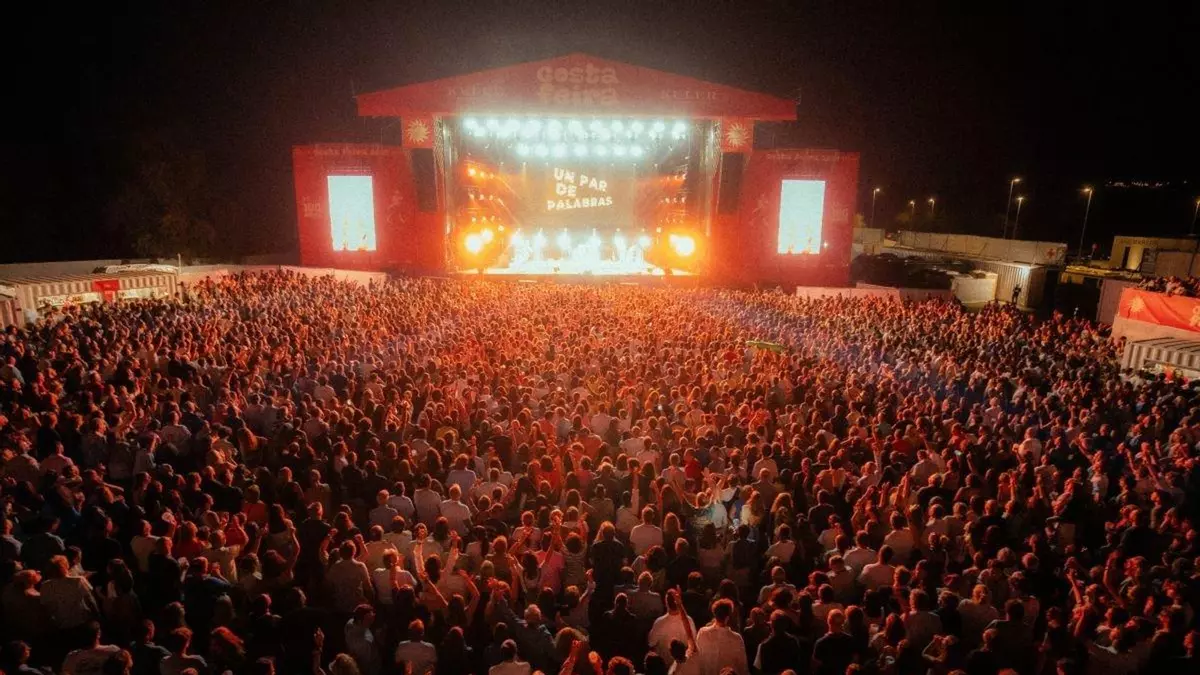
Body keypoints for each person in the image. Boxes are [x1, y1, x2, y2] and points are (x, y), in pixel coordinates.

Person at [694, 599, 748, 675]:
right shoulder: (736, 638)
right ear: (728, 617)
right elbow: (743, 667)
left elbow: (696, 660)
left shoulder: (702, 633)